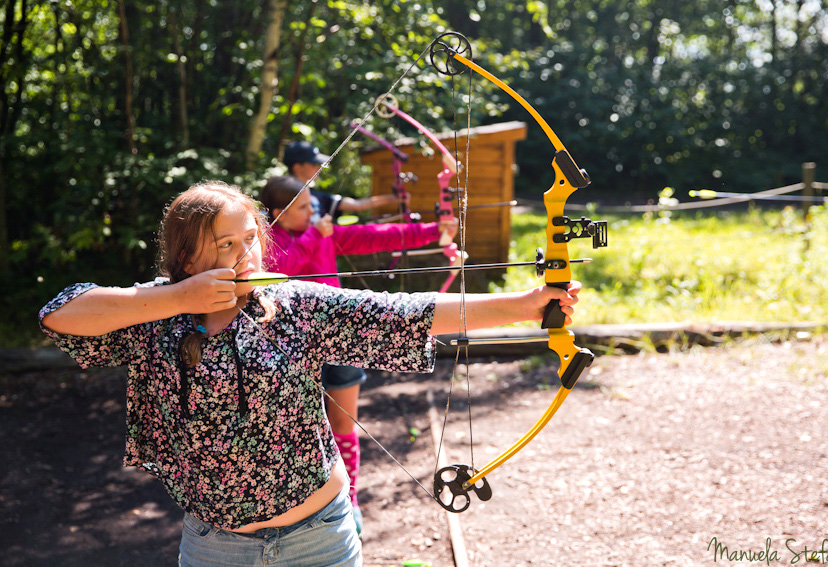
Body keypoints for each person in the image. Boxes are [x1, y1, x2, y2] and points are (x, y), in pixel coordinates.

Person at [38, 180, 582, 567]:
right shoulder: (150, 316)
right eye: (225, 243)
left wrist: (528, 303)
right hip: (214, 546)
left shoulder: (292, 304)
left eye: (249, 237)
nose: (245, 253)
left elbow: (408, 312)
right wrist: (177, 297)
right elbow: (60, 313)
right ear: (185, 253)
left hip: (316, 540)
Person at [259, 175, 456, 535]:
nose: (313, 211)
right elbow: (279, 267)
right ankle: (306, 508)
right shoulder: (267, 243)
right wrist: (315, 235)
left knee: (344, 426)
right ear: (278, 213)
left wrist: (434, 230)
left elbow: (374, 236)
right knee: (297, 433)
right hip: (291, 347)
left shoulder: (321, 232)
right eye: (303, 207)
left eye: (312, 204)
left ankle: (349, 499)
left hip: (337, 340)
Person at [284, 141, 408, 222]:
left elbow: (356, 205)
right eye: (313, 164)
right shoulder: (281, 197)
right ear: (297, 167)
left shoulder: (315, 196)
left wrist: (393, 198)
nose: (319, 167)